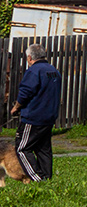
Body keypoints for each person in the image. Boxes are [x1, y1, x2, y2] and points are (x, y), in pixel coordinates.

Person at [9, 43, 61, 182]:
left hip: (33, 117)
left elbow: (25, 92)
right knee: (43, 149)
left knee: (21, 148)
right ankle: (47, 178)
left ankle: (37, 178)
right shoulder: (53, 70)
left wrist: (16, 107)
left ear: (30, 58)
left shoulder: (34, 71)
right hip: (49, 117)